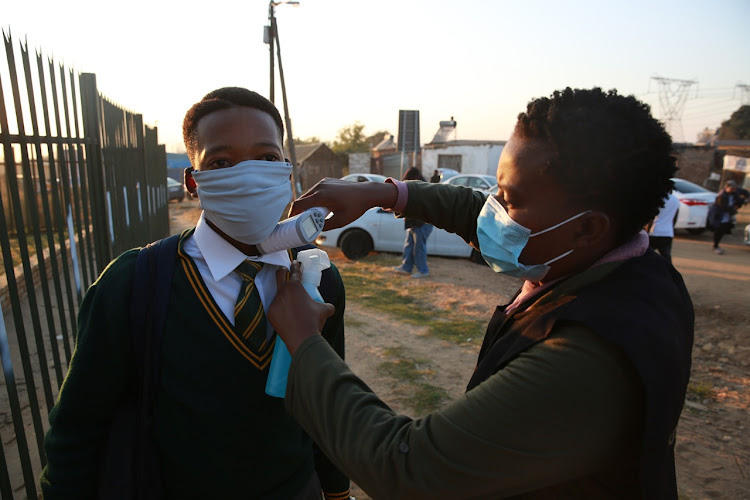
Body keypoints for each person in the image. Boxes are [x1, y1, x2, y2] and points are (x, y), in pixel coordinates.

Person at [268, 88, 694, 499]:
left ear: (587, 228)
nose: (494, 211)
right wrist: (389, 192)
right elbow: (478, 213)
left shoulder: (586, 356)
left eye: (508, 200)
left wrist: (305, 341)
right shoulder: (630, 269)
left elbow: (409, 469)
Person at [40, 87, 351, 499]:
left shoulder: (319, 279)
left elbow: (326, 405)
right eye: (222, 162)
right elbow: (77, 430)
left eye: (267, 159)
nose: (248, 176)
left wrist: (335, 492)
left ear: (287, 172)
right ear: (193, 181)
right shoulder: (134, 284)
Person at [393, 166, 433, 278]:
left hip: (422, 223)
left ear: (414, 177)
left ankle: (423, 270)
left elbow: (419, 206)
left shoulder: (422, 188)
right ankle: (406, 267)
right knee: (409, 245)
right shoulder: (416, 185)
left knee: (419, 247)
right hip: (413, 222)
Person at [709, 179, 747, 254]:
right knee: (718, 230)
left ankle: (717, 245)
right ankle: (715, 246)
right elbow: (723, 206)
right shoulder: (721, 195)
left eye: (734, 188)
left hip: (727, 216)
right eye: (731, 188)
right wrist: (733, 209)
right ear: (727, 187)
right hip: (719, 215)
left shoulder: (733, 194)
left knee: (723, 230)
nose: (733, 190)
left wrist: (743, 202)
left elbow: (739, 200)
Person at [648, 191, 680, 263]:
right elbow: (675, 217)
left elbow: (651, 217)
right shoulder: (675, 200)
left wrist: (647, 231)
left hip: (653, 232)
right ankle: (670, 272)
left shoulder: (657, 198)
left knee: (646, 256)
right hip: (667, 233)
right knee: (666, 257)